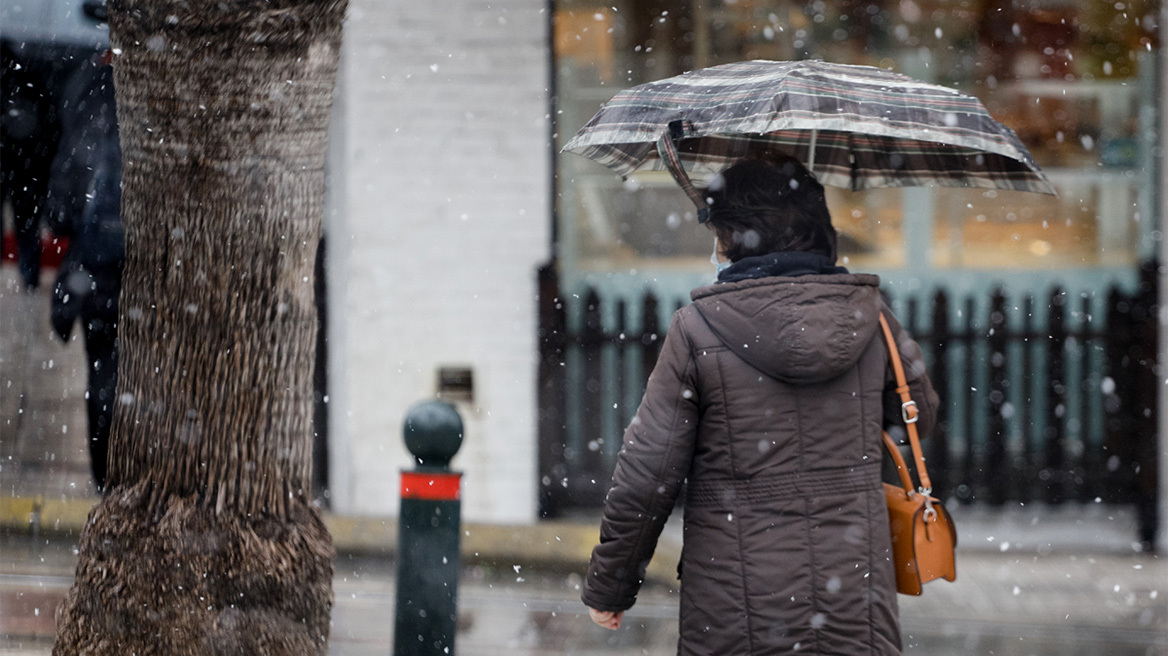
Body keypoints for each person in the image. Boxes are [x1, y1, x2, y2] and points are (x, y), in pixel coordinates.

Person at [582, 156, 939, 655]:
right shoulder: (872, 317)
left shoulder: (699, 328)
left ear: (737, 236)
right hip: (854, 594)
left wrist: (612, 585)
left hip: (734, 608)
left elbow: (648, 472)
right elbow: (917, 417)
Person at [43, 49, 123, 492]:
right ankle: (119, 478)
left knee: (104, 379)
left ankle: (107, 480)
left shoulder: (88, 96)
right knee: (124, 380)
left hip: (96, 273)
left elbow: (60, 203)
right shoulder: (158, 102)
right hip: (137, 273)